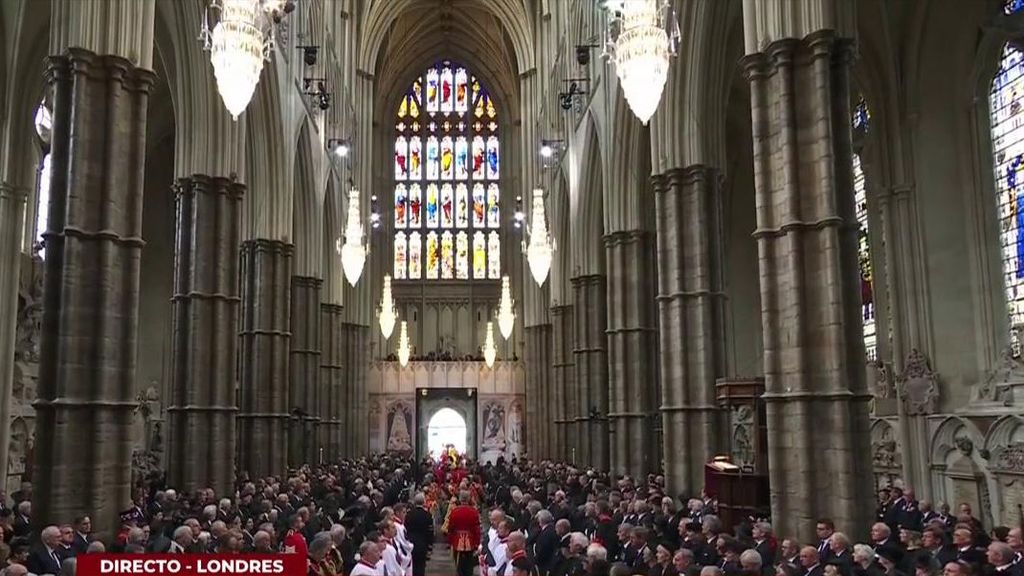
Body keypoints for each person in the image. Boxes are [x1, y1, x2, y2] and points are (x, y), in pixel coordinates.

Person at [446, 490, 481, 576]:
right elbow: (476, 529)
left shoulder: (454, 511)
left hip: (457, 539)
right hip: (470, 539)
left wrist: (450, 540)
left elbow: (450, 528)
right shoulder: (474, 511)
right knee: (469, 561)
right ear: (469, 499)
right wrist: (477, 542)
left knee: (458, 562)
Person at [404, 494, 433, 576]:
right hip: (422, 544)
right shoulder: (427, 515)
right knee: (421, 566)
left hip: (410, 543)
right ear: (424, 502)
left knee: (412, 566)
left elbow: (405, 529)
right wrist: (430, 545)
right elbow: (430, 531)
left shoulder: (409, 515)